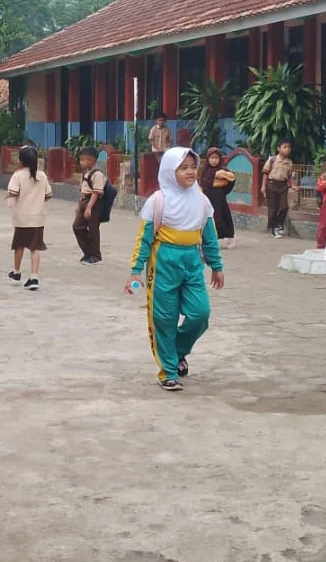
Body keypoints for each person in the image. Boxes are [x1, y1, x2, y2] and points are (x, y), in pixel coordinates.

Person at [124, 147, 225, 392]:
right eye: (183, 168)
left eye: (193, 167)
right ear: (170, 171)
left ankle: (177, 351)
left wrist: (216, 266)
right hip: (163, 262)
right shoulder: (158, 201)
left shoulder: (202, 200)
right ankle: (168, 371)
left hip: (192, 262)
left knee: (200, 314)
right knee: (164, 318)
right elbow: (144, 239)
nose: (190, 172)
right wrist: (136, 270)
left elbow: (209, 237)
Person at [6, 144, 52, 290]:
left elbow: (12, 193)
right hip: (37, 217)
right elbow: (48, 195)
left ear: (20, 160)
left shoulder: (17, 175)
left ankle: (17, 272)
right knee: (35, 247)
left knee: (19, 245)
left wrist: (10, 202)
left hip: (21, 217)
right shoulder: (42, 175)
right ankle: (34, 276)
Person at [198, 147, 238, 248]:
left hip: (219, 198)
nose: (214, 160)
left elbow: (231, 180)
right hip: (207, 197)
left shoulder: (223, 170)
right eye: (212, 158)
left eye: (216, 158)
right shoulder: (204, 170)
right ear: (208, 159)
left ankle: (230, 237)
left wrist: (221, 179)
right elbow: (202, 182)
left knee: (222, 217)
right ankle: (209, 239)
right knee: (208, 218)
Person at [73, 149, 107, 265]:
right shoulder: (85, 173)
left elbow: (96, 193)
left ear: (91, 160)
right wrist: (79, 206)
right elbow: (82, 191)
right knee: (77, 226)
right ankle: (88, 252)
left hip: (93, 203)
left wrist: (89, 208)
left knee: (93, 230)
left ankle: (95, 256)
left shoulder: (97, 174)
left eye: (83, 159)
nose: (80, 162)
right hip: (84, 200)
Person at [262, 140, 297, 238]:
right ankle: (273, 229)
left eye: (289, 147)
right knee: (273, 209)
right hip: (272, 184)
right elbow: (265, 174)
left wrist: (293, 185)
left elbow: (290, 177)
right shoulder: (272, 160)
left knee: (284, 207)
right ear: (278, 148)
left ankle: (279, 223)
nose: (287, 149)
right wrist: (263, 187)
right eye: (284, 147)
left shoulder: (289, 162)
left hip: (283, 186)